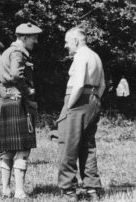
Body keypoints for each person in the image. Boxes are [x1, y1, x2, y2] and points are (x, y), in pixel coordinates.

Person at [0, 22, 42, 199]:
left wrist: (4, 92)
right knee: (22, 147)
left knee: (7, 149)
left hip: (6, 102)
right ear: (24, 38)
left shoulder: (5, 52)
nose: (36, 41)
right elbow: (15, 75)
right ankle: (20, 191)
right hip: (19, 103)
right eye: (34, 38)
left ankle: (5, 190)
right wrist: (26, 90)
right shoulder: (18, 53)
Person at [56, 27, 105, 202]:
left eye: (67, 42)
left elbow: (77, 84)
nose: (65, 46)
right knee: (88, 145)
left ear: (76, 41)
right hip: (93, 99)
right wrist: (94, 101)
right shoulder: (95, 56)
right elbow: (102, 85)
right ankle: (92, 190)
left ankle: (69, 191)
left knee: (68, 146)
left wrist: (69, 106)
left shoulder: (80, 56)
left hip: (77, 100)